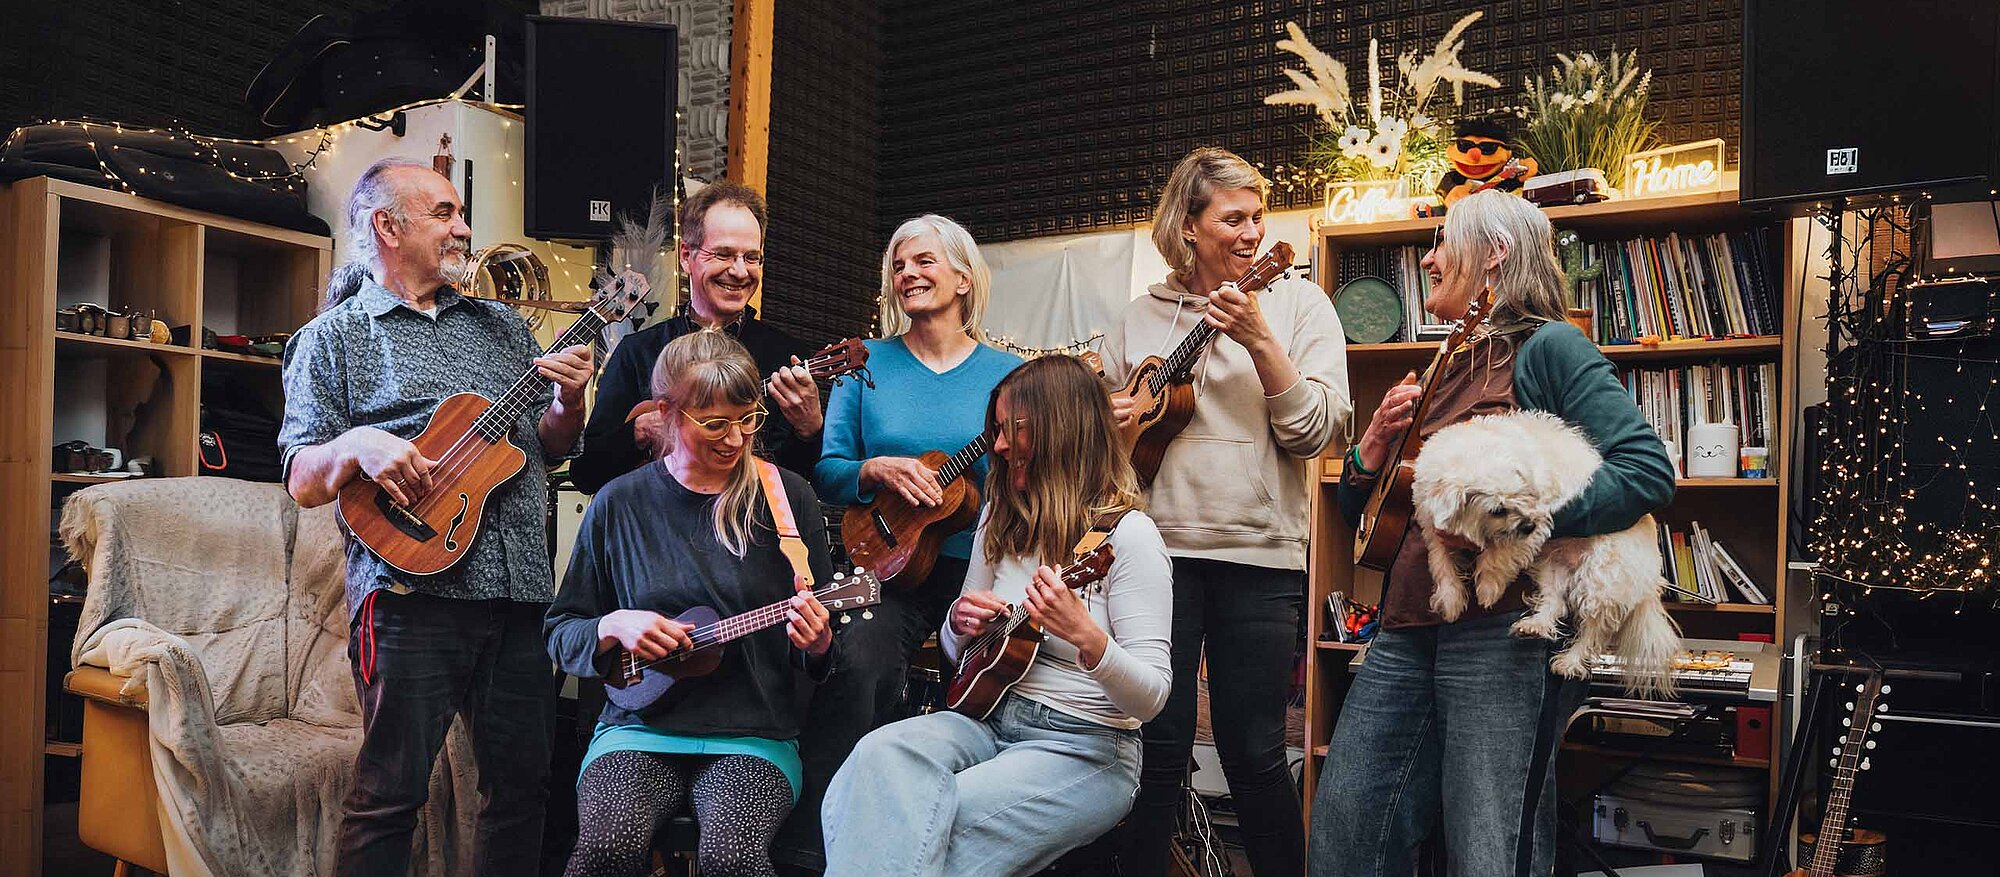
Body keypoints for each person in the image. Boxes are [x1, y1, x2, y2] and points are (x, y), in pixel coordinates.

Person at [1309, 190, 1675, 877]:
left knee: (1489, 850)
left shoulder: (1552, 348)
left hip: (1501, 631)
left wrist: (1516, 528)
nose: (1428, 258)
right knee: (1348, 829)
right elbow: (1378, 510)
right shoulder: (1448, 358)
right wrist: (1369, 449)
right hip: (1408, 621)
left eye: (1444, 241)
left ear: (1495, 254)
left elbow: (1647, 471)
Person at [278, 157, 594, 877]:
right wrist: (359, 443)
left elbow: (538, 452)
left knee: (521, 790)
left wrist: (569, 405)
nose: (464, 227)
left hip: (517, 593)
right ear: (387, 226)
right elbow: (301, 477)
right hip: (410, 592)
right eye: (445, 213)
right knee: (389, 794)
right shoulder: (334, 338)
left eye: (460, 213)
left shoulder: (503, 328)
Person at [821, 354, 1172, 877]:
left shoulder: (1130, 536)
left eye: (1014, 430)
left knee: (930, 822)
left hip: (1085, 748)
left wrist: (1087, 638)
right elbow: (958, 652)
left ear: (1063, 433)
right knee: (866, 768)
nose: (999, 446)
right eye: (998, 430)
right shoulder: (999, 516)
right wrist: (957, 625)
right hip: (988, 720)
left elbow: (1152, 697)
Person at [1103, 146, 1352, 877]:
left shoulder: (1300, 304)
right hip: (1154, 556)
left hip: (1259, 557)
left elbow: (1318, 432)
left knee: (1254, 755)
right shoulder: (1139, 318)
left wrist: (1259, 338)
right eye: (1233, 218)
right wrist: (1115, 429)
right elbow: (1108, 460)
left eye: (1258, 218)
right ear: (1188, 223)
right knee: (1157, 750)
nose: (1251, 233)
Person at [775, 214, 1023, 870]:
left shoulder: (1010, 374)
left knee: (999, 685)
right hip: (882, 567)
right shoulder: (865, 363)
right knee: (861, 667)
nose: (907, 273)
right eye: (899, 264)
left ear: (963, 278)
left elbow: (1031, 474)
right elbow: (828, 471)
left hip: (980, 567)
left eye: (923, 262)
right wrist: (874, 469)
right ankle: (813, 849)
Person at [546, 331, 839, 877]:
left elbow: (819, 652)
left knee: (734, 857)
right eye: (714, 424)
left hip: (752, 734)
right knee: (606, 850)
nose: (735, 439)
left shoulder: (787, 497)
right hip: (637, 729)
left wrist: (818, 641)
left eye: (747, 419)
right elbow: (562, 632)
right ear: (667, 413)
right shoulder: (620, 502)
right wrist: (613, 624)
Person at [569, 180, 823, 493]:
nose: (740, 271)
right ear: (686, 256)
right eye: (723, 254)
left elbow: (802, 484)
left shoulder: (788, 358)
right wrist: (639, 431)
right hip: (656, 534)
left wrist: (810, 431)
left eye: (752, 257)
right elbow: (586, 475)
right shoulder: (637, 352)